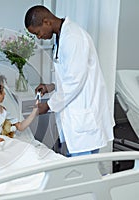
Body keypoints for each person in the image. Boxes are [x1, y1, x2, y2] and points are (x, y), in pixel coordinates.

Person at [24, 5, 115, 157]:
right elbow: (71, 74)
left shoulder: (73, 38)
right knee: (83, 171)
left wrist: (48, 105)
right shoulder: (62, 37)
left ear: (46, 22)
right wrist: (50, 86)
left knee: (84, 171)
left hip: (85, 116)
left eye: (37, 33)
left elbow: (74, 81)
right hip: (78, 114)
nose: (38, 37)